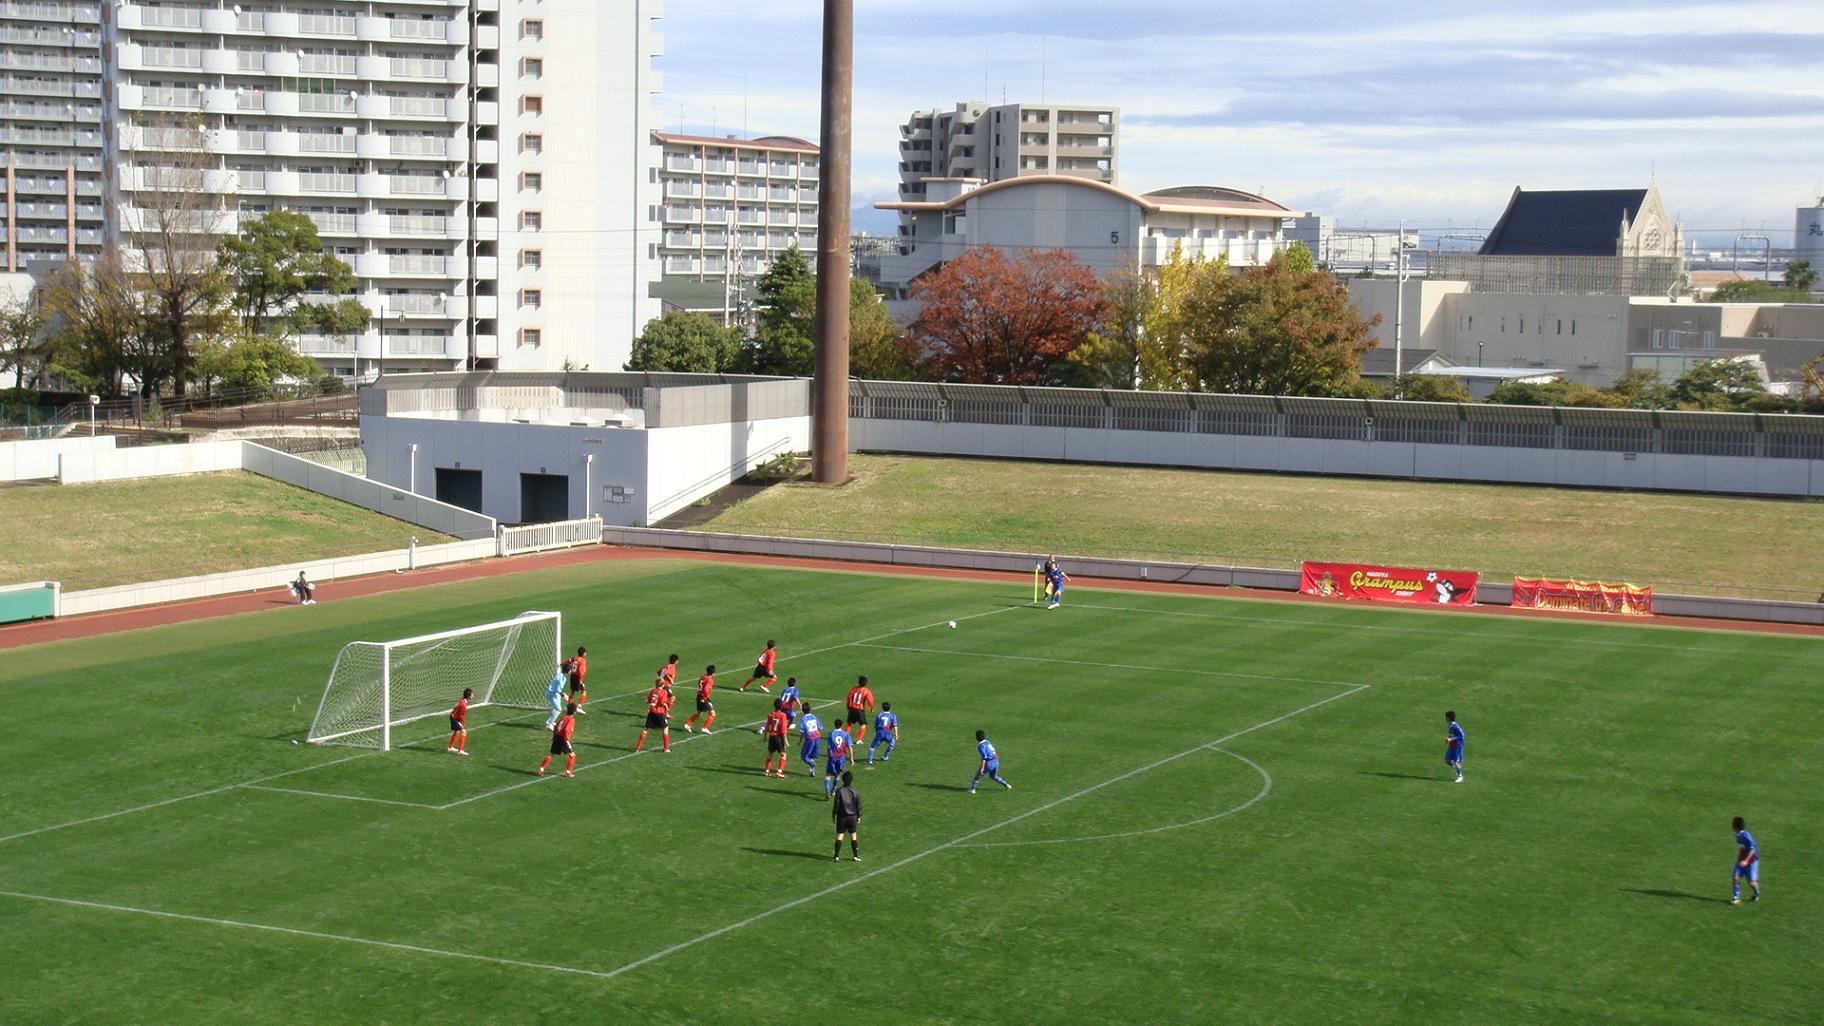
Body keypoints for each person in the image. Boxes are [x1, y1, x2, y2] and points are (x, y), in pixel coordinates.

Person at [634, 676, 673, 753]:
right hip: (659, 713)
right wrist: (666, 706)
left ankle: (637, 748)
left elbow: (647, 700)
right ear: (663, 684)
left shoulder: (653, 691)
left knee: (646, 729)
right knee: (665, 728)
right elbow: (662, 702)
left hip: (651, 712)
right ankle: (666, 749)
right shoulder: (664, 692)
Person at [538, 702, 578, 777]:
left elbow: (556, 726)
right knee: (572, 755)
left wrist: (555, 735)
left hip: (557, 737)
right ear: (575, 711)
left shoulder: (563, 717)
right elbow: (566, 730)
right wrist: (567, 739)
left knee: (551, 754)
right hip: (563, 739)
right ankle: (568, 772)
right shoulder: (571, 719)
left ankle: (541, 769)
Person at [832, 770, 863, 862]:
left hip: (842, 817)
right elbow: (858, 805)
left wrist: (834, 815)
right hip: (852, 816)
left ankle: (836, 856)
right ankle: (855, 856)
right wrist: (859, 816)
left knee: (839, 836)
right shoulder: (855, 791)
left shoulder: (839, 791)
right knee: (853, 836)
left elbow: (836, 804)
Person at [1732, 816, 1761, 904]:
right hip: (1741, 861)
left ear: (1735, 826)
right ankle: (1736, 898)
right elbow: (1742, 848)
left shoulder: (1745, 836)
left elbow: (1753, 850)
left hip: (1751, 862)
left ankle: (1757, 893)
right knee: (1735, 877)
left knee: (1751, 882)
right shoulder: (1738, 835)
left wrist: (1746, 861)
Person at [683, 664, 717, 734]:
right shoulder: (710, 679)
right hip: (704, 697)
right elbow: (706, 689)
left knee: (699, 712)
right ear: (713, 673)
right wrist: (704, 698)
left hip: (699, 696)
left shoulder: (703, 677)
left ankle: (687, 724)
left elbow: (699, 683)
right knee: (712, 714)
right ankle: (705, 728)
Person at [761, 699, 791, 777]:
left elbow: (767, 727)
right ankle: (779, 772)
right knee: (783, 755)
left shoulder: (770, 714)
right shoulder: (783, 715)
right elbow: (783, 730)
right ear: (781, 706)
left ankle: (766, 771)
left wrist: (765, 736)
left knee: (770, 754)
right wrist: (786, 741)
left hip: (771, 736)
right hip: (778, 737)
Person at [823, 722, 853, 798]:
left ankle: (827, 793)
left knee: (828, 775)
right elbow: (850, 747)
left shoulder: (831, 734)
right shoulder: (845, 734)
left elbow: (829, 747)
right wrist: (851, 758)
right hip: (841, 757)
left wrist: (828, 755)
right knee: (837, 774)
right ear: (841, 725)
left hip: (832, 757)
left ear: (835, 725)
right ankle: (833, 791)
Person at [845, 675, 876, 745]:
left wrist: (848, 707)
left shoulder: (853, 689)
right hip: (860, 710)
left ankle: (844, 737)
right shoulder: (866, 691)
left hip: (852, 709)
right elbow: (870, 700)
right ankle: (859, 739)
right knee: (863, 725)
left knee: (849, 724)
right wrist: (872, 708)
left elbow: (849, 698)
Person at [544, 659, 571, 730]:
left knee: (555, 708)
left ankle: (549, 721)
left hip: (550, 693)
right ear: (568, 671)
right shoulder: (562, 678)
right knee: (559, 709)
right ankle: (549, 724)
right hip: (552, 694)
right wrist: (564, 696)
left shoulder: (559, 675)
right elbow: (558, 689)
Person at [798, 707, 825, 777]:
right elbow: (820, 727)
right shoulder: (814, 717)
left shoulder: (803, 719)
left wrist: (800, 740)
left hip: (810, 739)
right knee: (811, 756)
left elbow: (802, 732)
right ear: (810, 710)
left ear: (803, 711)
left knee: (804, 756)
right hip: (817, 738)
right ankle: (812, 771)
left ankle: (811, 763)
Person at [446, 687, 472, 755]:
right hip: (455, 718)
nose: (473, 695)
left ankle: (450, 747)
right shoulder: (463, 704)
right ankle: (460, 750)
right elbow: (461, 716)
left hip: (453, 716)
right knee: (464, 732)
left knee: (457, 731)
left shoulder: (462, 700)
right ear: (469, 696)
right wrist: (462, 724)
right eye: (472, 694)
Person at [1445, 711, 1466, 783]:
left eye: (1446, 717)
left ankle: (1460, 776)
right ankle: (1458, 768)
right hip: (1452, 745)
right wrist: (1448, 738)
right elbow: (1452, 734)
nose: (1445, 718)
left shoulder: (1455, 726)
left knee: (1456, 761)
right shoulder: (1450, 725)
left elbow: (1462, 735)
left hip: (1457, 746)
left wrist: (1451, 739)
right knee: (1447, 760)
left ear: (1449, 717)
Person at [568, 646, 589, 714]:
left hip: (572, 677)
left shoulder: (574, 658)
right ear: (583, 654)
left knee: (572, 692)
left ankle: (570, 707)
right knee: (584, 692)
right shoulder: (583, 661)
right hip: (578, 678)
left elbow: (568, 661)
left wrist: (561, 664)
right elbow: (581, 671)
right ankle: (579, 707)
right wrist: (580, 680)